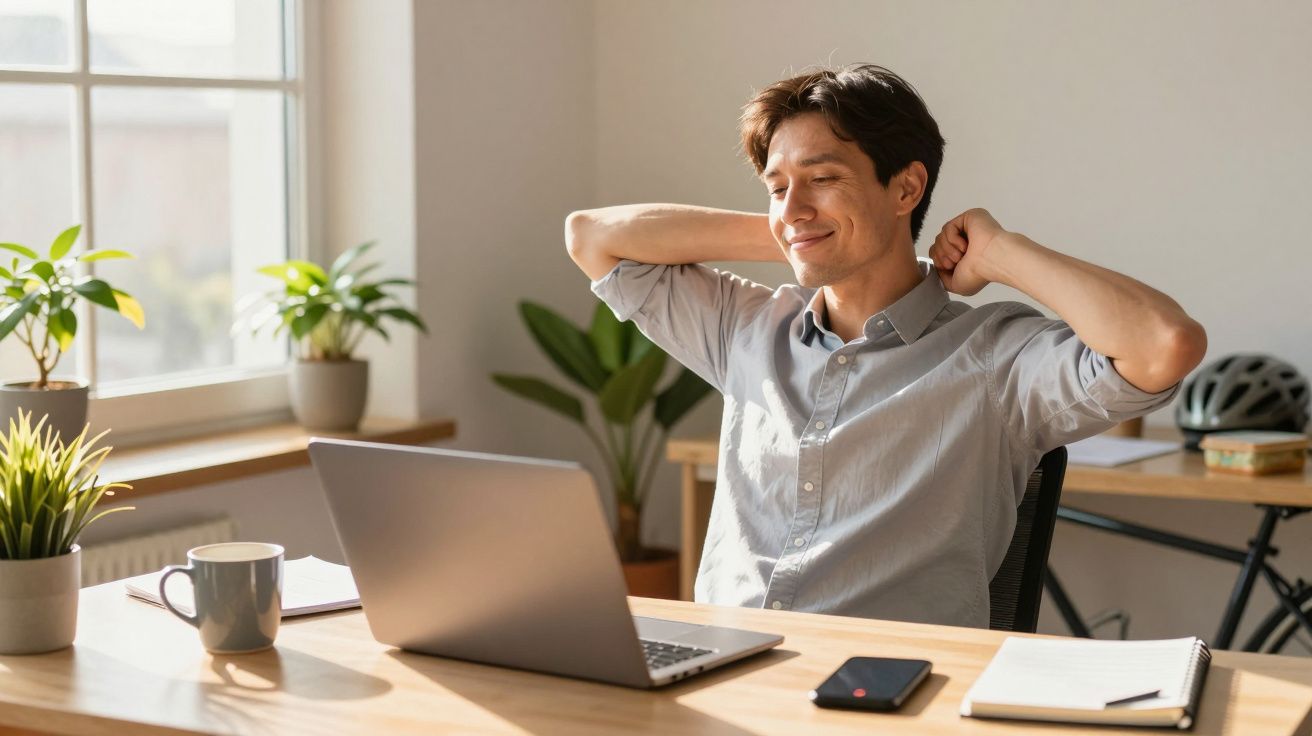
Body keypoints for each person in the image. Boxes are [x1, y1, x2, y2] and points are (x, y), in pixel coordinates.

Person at [565, 64, 1206, 628]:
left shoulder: (993, 357)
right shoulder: (747, 326)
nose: (791, 204)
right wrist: (805, 232)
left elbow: (1164, 344)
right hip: (729, 671)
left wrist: (1001, 253)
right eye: (777, 186)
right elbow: (591, 236)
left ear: (906, 188)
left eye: (822, 178)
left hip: (889, 688)